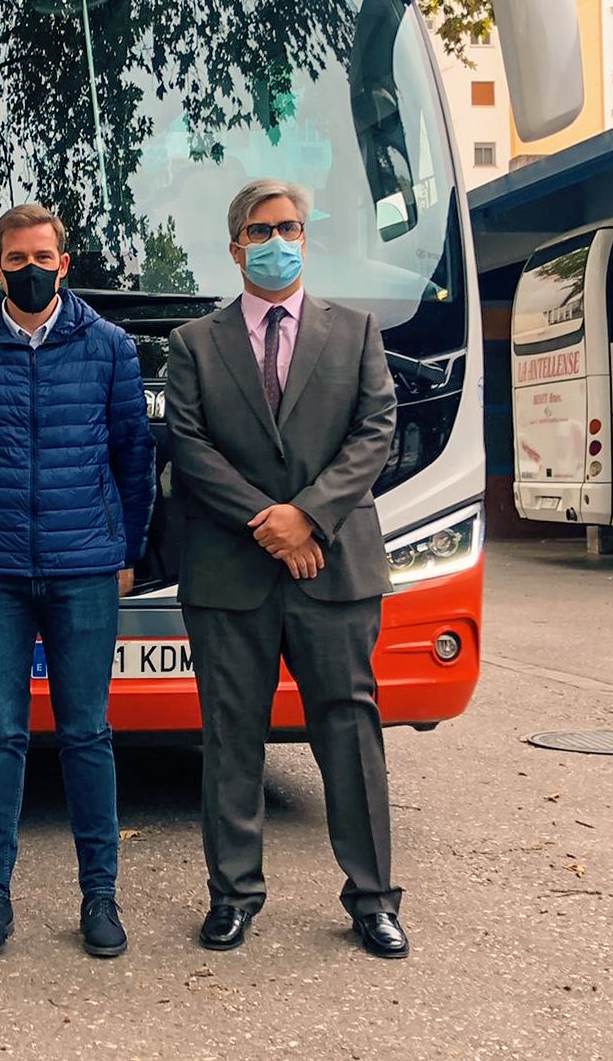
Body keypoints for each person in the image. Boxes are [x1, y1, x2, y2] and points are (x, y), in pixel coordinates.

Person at [164, 178, 407, 959]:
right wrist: (268, 523)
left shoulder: (356, 330)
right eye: (263, 230)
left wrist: (309, 515)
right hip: (231, 571)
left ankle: (372, 898)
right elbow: (189, 447)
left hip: (332, 568)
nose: (280, 241)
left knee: (349, 730)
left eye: (292, 227)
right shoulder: (194, 343)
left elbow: (376, 432)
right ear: (236, 246)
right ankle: (233, 894)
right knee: (232, 736)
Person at [0, 202, 155, 961]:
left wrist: (126, 549)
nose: (30, 269)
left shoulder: (110, 347)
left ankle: (100, 896)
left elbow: (133, 456)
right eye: (16, 259)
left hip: (85, 568)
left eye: (42, 255)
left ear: (65, 261)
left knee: (87, 734)